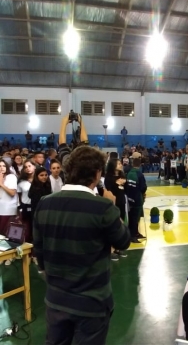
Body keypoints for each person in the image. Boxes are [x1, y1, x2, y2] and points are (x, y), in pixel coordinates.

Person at [33, 146, 131, 345]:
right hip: (91, 303)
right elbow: (123, 241)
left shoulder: (44, 203)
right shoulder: (102, 207)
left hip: (56, 300)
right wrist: (113, 206)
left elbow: (39, 253)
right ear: (97, 174)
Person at [104, 158, 128, 260]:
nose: (120, 165)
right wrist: (116, 183)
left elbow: (126, 189)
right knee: (112, 226)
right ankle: (111, 249)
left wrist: (124, 183)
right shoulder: (108, 177)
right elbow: (108, 190)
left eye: (120, 163)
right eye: (118, 163)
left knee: (121, 225)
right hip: (112, 204)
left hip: (122, 203)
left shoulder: (122, 176)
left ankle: (118, 247)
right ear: (113, 165)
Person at [126, 157, 147, 243]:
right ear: (140, 165)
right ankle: (133, 236)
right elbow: (143, 187)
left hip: (129, 198)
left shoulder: (129, 173)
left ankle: (135, 233)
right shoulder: (139, 174)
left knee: (132, 216)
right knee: (136, 217)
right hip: (137, 199)